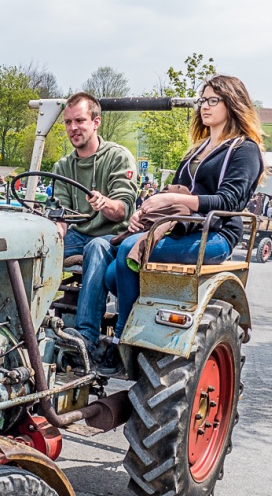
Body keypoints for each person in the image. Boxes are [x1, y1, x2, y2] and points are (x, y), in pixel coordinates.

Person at [105, 76, 263, 376]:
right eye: (202, 100)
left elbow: (231, 200)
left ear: (232, 103)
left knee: (128, 249)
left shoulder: (245, 150)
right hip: (180, 227)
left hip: (215, 235)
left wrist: (186, 203)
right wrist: (150, 209)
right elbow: (174, 189)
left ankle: (123, 342)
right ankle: (127, 328)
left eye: (213, 100)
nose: (205, 106)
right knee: (112, 270)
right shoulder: (197, 149)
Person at [51, 91, 137, 370]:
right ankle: (27, 326)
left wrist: (104, 203)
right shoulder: (63, 166)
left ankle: (86, 336)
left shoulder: (117, 157)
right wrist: (52, 237)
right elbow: (61, 215)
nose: (73, 128)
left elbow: (123, 210)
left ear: (96, 122)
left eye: (79, 121)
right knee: (35, 248)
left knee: (96, 247)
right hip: (78, 233)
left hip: (114, 235)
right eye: (67, 122)